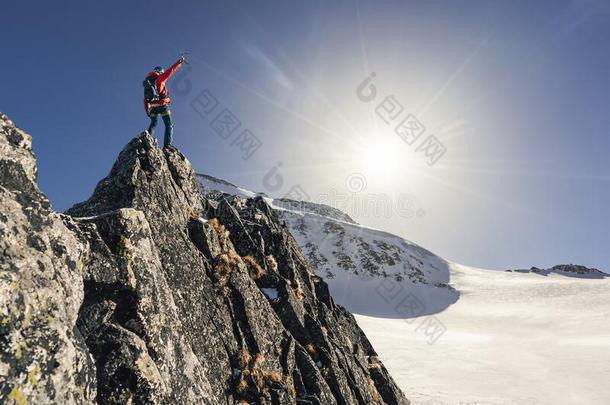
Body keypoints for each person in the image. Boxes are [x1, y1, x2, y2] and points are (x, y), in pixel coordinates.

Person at [143, 55, 186, 147]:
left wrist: (147, 110)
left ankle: (148, 139)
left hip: (152, 107)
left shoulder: (148, 81)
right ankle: (167, 145)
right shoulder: (160, 79)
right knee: (169, 124)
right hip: (162, 105)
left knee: (153, 123)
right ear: (160, 72)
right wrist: (179, 62)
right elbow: (171, 71)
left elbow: (145, 98)